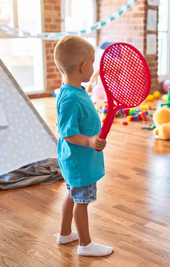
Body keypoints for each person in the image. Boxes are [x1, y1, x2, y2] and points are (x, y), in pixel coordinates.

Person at [53, 35, 113, 257]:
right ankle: (85, 244)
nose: (94, 67)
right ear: (83, 65)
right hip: (79, 161)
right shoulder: (71, 98)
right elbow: (67, 133)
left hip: (73, 160)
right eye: (93, 62)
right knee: (82, 201)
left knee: (71, 194)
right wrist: (89, 141)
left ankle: (65, 233)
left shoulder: (72, 91)